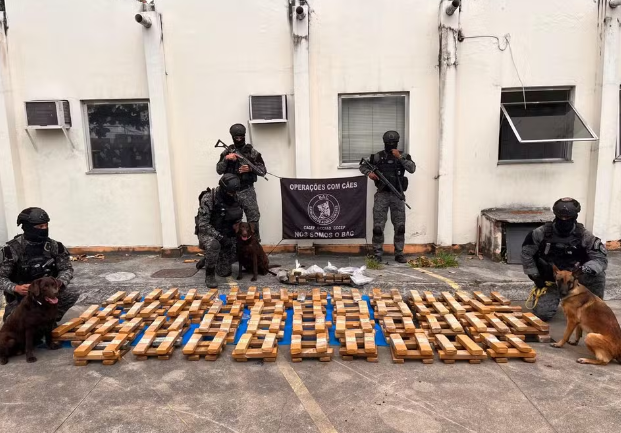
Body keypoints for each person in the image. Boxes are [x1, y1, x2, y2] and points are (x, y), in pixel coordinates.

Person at [521, 197, 608, 321]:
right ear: (556, 216)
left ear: (575, 217)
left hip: (576, 277)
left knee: (598, 275)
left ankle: (594, 306)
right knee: (542, 315)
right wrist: (534, 275)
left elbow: (600, 259)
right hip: (551, 279)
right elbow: (527, 253)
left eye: (568, 218)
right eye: (561, 217)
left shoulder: (585, 236)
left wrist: (585, 269)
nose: (564, 220)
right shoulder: (540, 233)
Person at [0, 207, 76, 323]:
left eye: (46, 225)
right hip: (23, 299)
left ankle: (48, 319)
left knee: (76, 299)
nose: (44, 229)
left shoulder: (54, 246)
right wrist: (15, 288)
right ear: (27, 227)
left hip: (50, 294)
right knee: (14, 325)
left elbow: (66, 269)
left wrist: (59, 282)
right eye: (40, 227)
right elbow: (1, 277)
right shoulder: (11, 250)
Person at [359, 130, 416, 263]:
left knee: (400, 226)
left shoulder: (404, 155)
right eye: (389, 143)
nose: (391, 145)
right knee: (378, 227)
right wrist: (369, 173)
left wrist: (399, 157)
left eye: (393, 143)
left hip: (398, 195)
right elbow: (362, 166)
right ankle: (377, 253)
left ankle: (399, 253)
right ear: (384, 143)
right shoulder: (378, 157)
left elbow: (412, 169)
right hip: (382, 195)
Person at [216, 123, 266, 242]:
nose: (239, 139)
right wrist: (226, 159)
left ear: (244, 136)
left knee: (253, 218)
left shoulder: (252, 152)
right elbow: (219, 170)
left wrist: (250, 168)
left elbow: (263, 171)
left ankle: (255, 244)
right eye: (236, 137)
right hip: (231, 193)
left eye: (241, 137)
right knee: (232, 219)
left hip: (247, 190)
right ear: (232, 137)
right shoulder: (227, 152)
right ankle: (233, 247)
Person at [195, 173, 243, 288]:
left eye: (234, 192)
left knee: (224, 272)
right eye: (230, 192)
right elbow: (203, 225)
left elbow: (238, 218)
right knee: (214, 245)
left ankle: (208, 258)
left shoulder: (236, 197)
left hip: (226, 233)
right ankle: (210, 274)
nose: (233, 195)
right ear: (223, 189)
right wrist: (220, 237)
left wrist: (236, 233)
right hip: (209, 233)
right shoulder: (209, 198)